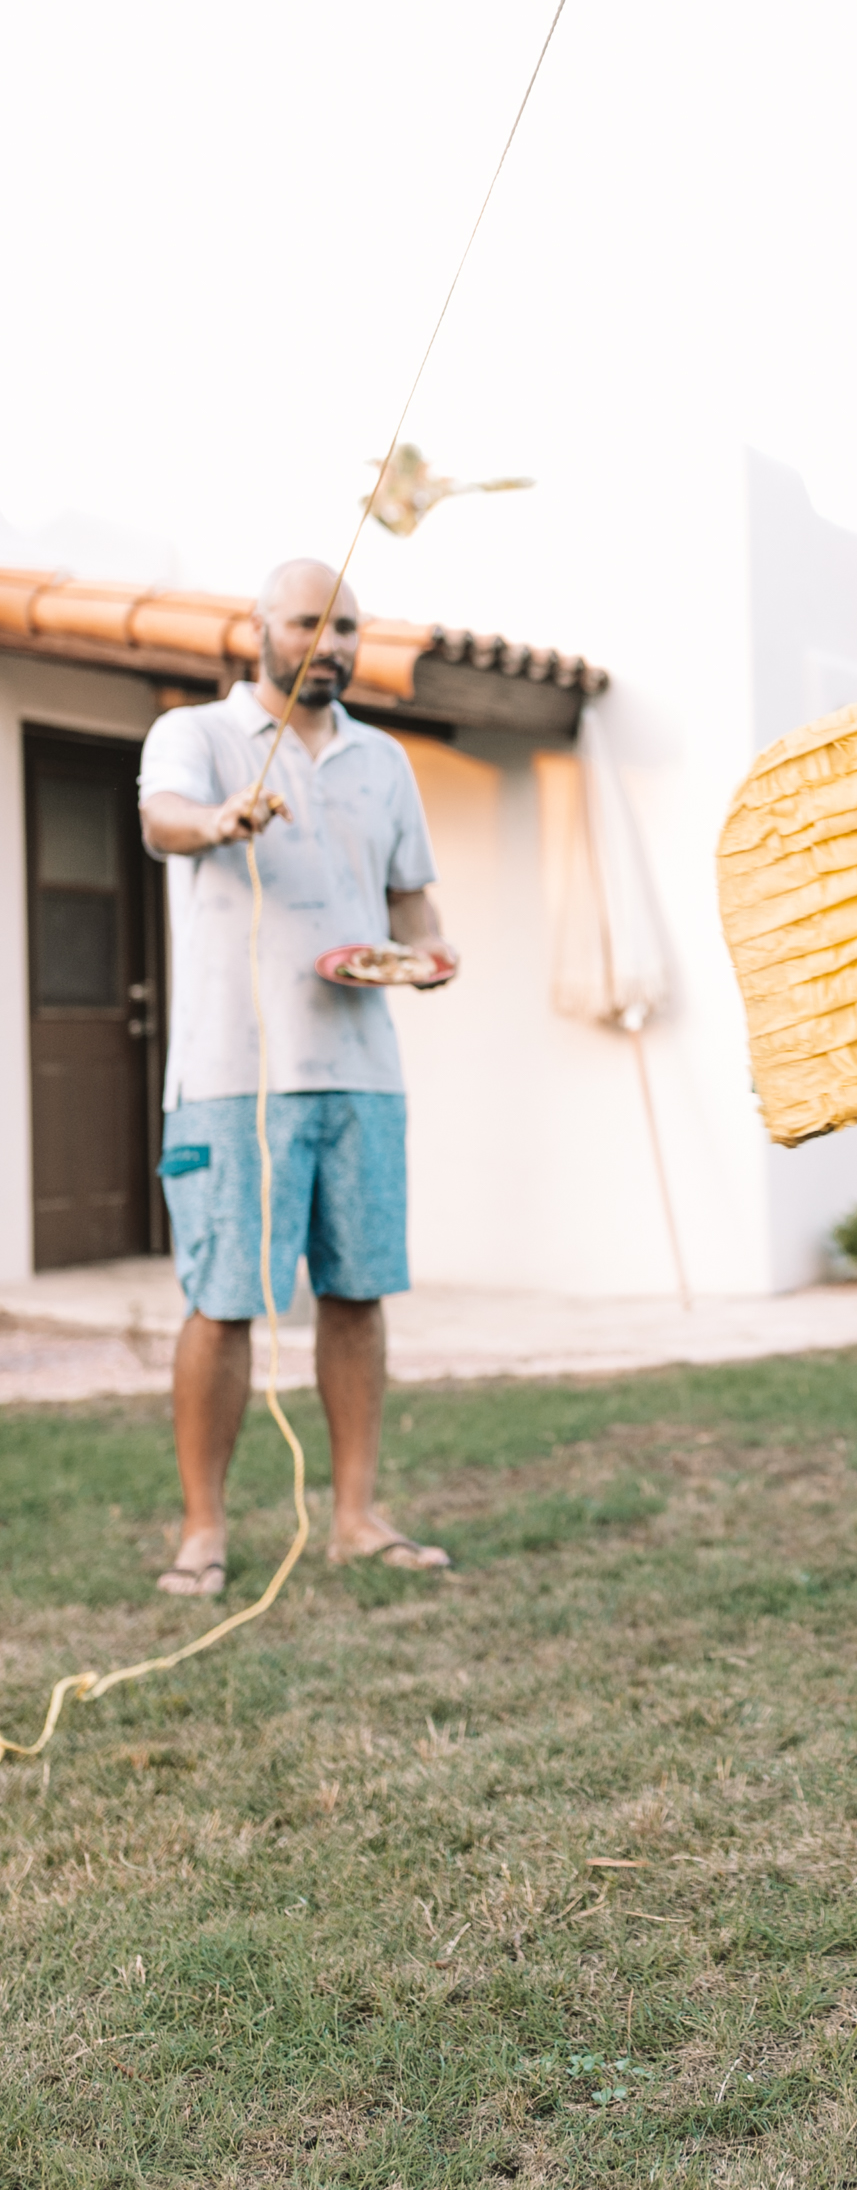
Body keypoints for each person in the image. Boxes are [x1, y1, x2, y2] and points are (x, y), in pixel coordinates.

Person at [138, 558, 457, 1596]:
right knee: (224, 1303)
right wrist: (224, 818)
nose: (329, 644)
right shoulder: (199, 734)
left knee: (357, 1296)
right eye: (306, 623)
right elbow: (162, 823)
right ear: (259, 628)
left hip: (364, 1071)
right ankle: (202, 1532)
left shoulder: (385, 763)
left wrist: (429, 954)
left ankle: (356, 1517)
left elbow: (409, 900)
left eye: (348, 628)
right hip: (236, 1075)